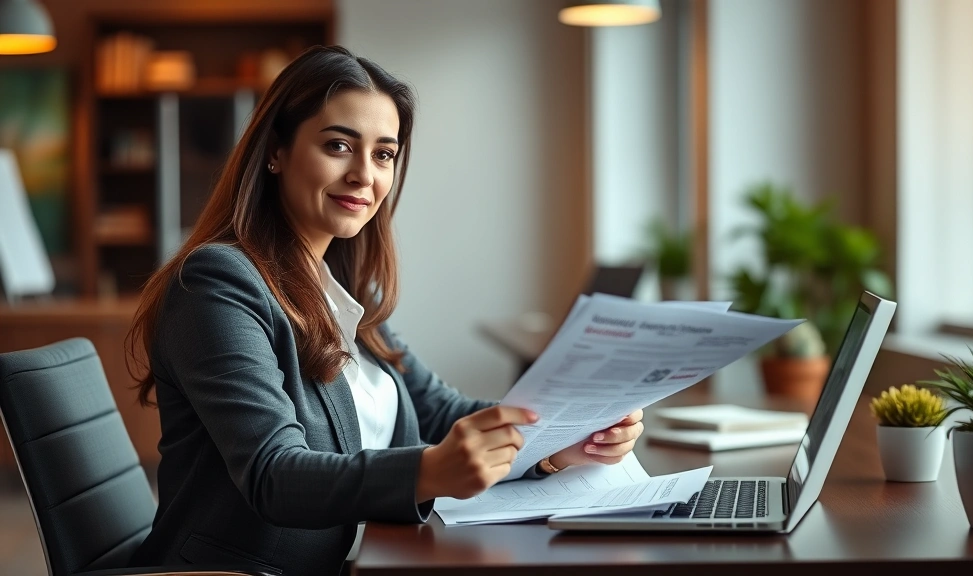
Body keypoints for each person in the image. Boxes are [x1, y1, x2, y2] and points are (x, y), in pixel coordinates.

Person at [126, 45, 644, 576]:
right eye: (338, 145)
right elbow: (273, 475)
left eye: (384, 154)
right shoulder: (217, 282)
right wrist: (428, 471)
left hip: (364, 559)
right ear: (276, 152)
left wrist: (561, 440)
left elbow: (441, 413)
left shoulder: (344, 289)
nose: (363, 175)